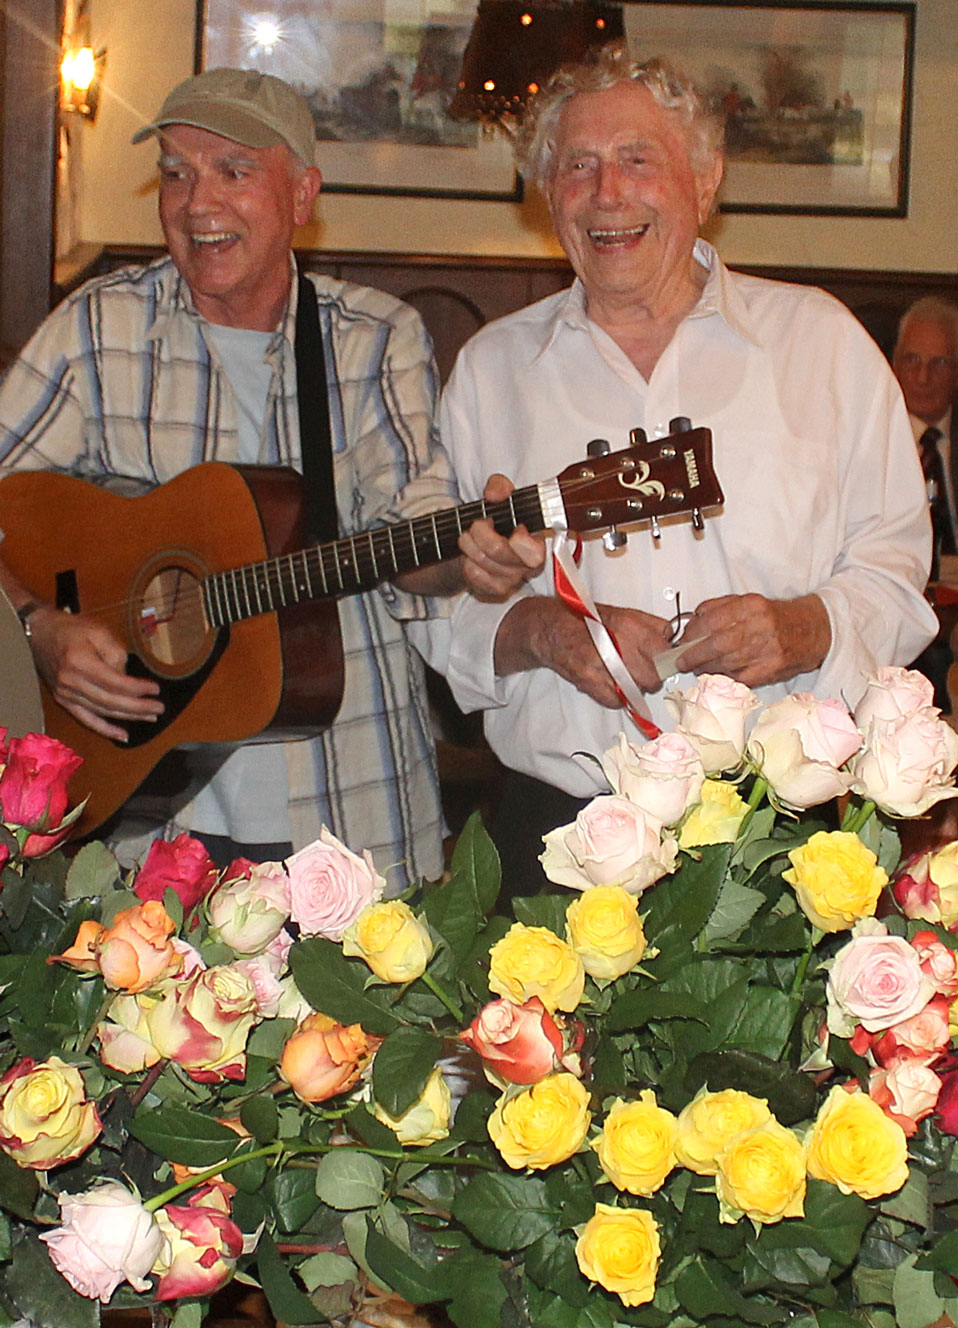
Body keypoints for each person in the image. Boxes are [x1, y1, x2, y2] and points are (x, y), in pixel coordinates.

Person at [411, 43, 937, 885]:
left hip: (780, 840)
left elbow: (897, 570)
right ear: (549, 196)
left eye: (637, 159)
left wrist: (804, 626)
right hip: (557, 834)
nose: (607, 192)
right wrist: (542, 630)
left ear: (706, 178)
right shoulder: (490, 369)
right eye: (577, 165)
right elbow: (440, 604)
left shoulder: (822, 345)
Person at [0, 68, 541, 885]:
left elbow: (414, 529)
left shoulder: (373, 340)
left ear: (301, 196)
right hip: (135, 828)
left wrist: (471, 554)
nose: (196, 202)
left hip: (347, 815)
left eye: (234, 170)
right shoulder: (95, 328)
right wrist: (40, 627)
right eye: (176, 172)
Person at [893, 296, 958, 708]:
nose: (922, 376)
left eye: (939, 364)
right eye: (911, 360)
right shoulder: (871, 439)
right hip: (902, 601)